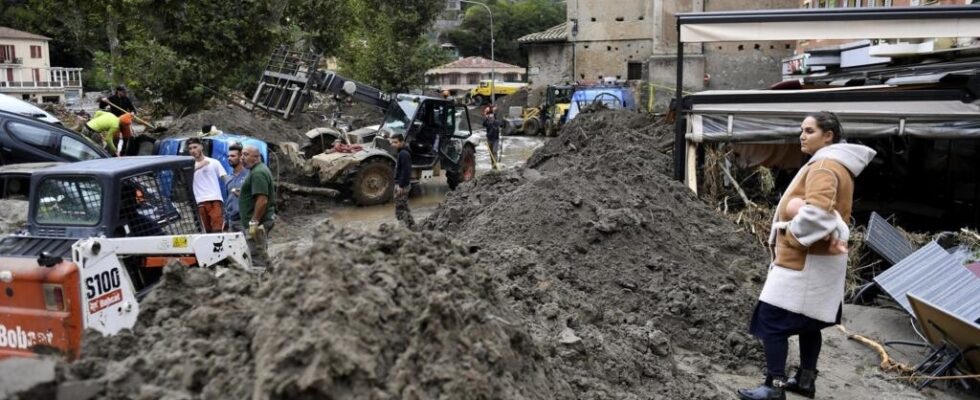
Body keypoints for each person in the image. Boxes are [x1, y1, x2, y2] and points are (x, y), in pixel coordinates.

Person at [738, 112, 876, 400]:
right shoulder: (839, 164)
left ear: (828, 136)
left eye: (810, 130)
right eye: (801, 130)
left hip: (803, 262)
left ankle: (773, 387)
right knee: (809, 322)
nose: (802, 135)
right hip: (821, 261)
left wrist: (791, 237)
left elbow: (817, 214)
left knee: (771, 321)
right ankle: (805, 380)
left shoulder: (824, 166)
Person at [239, 145, 276, 267]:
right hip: (258, 221)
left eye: (245, 154)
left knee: (256, 257)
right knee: (259, 254)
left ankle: (261, 283)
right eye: (242, 154)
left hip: (257, 223)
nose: (242, 158)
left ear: (256, 157)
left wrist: (254, 222)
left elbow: (262, 200)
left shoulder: (258, 173)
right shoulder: (256, 170)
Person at [187, 137, 227, 233]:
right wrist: (199, 166)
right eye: (190, 148)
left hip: (215, 199)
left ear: (201, 147)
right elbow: (184, 177)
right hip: (200, 201)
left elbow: (224, 177)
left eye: (195, 147)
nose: (193, 150)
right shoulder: (188, 167)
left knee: (217, 229)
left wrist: (234, 188)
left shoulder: (214, 162)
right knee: (206, 231)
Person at [784, 197, 849, 254]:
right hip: (829, 225)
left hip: (833, 218)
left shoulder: (812, 208)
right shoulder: (804, 220)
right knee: (835, 233)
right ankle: (837, 243)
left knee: (842, 230)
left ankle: (841, 242)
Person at [390, 132, 415, 230]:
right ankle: (411, 226)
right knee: (404, 206)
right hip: (402, 184)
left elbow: (406, 171)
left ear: (402, 142)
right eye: (392, 142)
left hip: (402, 186)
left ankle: (403, 228)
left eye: (395, 142)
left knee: (400, 208)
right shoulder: (402, 152)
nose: (393, 145)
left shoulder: (404, 154)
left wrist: (400, 185)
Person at [224, 143, 249, 232]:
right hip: (231, 221)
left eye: (232, 156)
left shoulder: (249, 175)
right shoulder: (228, 178)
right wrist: (226, 219)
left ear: (240, 157)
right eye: (228, 156)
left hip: (244, 221)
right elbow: (228, 200)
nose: (229, 158)